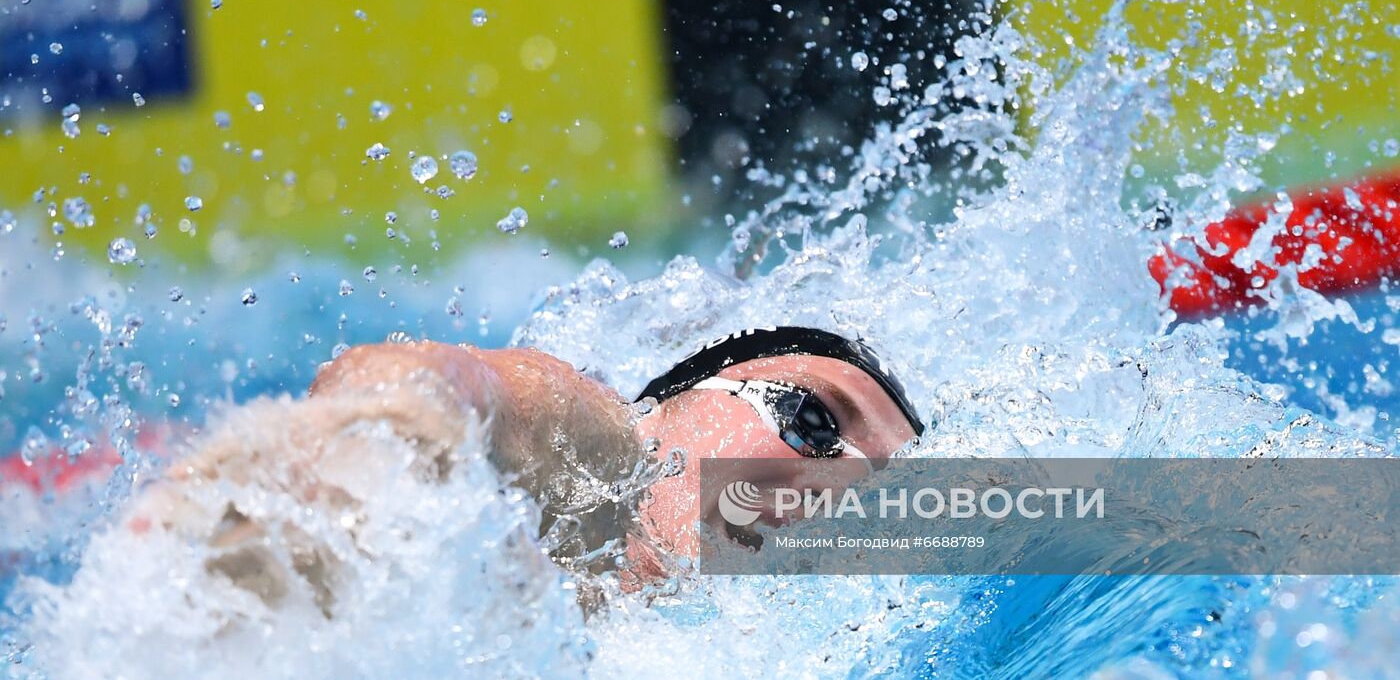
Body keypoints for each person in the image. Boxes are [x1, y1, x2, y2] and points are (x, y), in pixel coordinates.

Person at [123, 326, 924, 609]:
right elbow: (453, 386)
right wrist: (355, 447)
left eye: (881, 493)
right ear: (667, 405)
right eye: (815, 421)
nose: (844, 485)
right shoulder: (601, 463)